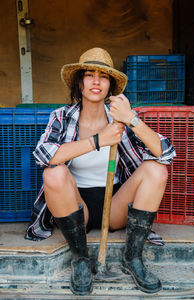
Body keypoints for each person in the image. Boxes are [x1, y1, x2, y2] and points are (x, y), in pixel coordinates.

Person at [25, 47, 176, 295]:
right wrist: (98, 140)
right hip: (76, 207)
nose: (96, 80)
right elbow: (44, 155)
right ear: (79, 82)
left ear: (110, 86)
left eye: (103, 76)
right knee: (53, 173)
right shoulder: (62, 117)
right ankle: (81, 260)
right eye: (89, 74)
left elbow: (166, 153)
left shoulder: (121, 119)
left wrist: (132, 120)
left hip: (113, 206)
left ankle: (133, 258)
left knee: (156, 170)